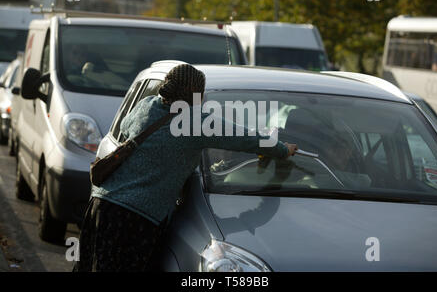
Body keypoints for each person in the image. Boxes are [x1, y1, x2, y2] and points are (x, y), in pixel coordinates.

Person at [73, 63, 298, 272]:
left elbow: (127, 127)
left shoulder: (146, 105)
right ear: (192, 91)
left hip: (101, 204)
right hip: (135, 219)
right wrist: (280, 149)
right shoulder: (193, 121)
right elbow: (242, 137)